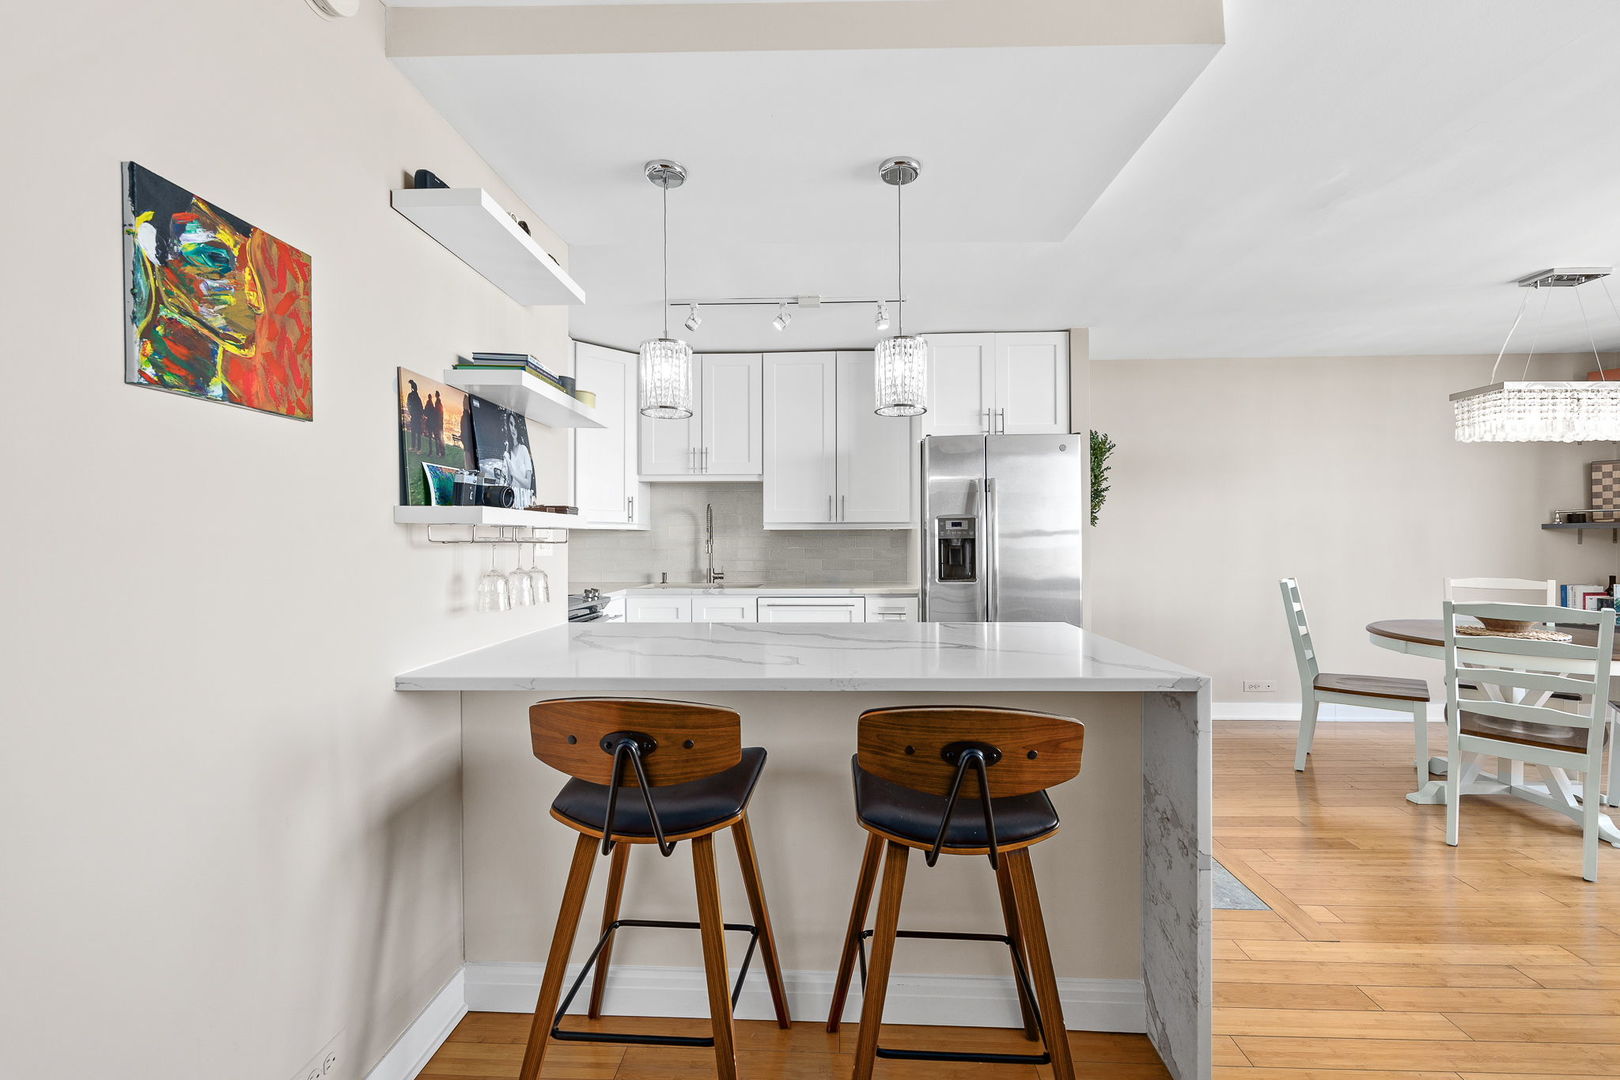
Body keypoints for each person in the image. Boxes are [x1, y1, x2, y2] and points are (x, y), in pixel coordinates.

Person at [405, 380, 424, 452]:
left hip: (415, 417)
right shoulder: (416, 397)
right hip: (416, 417)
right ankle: (417, 448)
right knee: (416, 432)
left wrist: (411, 413)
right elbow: (420, 407)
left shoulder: (412, 395)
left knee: (415, 432)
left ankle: (415, 448)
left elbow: (408, 404)